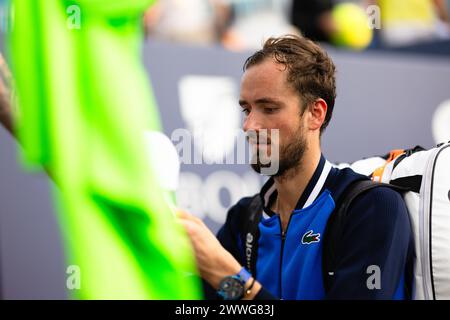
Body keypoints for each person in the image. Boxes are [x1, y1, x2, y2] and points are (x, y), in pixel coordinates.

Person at [178, 34, 414, 300]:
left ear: (316, 114)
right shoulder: (244, 217)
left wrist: (229, 277)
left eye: (268, 108)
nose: (249, 126)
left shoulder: (373, 208)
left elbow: (230, 287)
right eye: (246, 109)